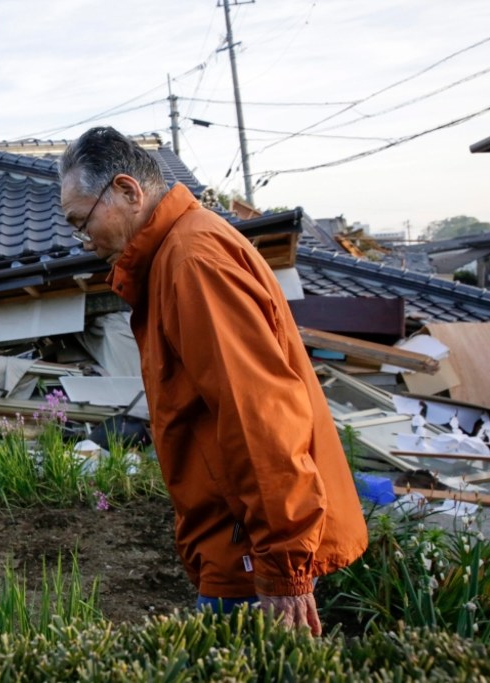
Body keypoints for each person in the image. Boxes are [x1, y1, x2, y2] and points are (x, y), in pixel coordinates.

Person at [59, 126, 367, 635]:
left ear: (128, 191)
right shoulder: (180, 252)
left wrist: (283, 566)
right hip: (241, 544)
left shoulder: (192, 260)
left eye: (81, 222)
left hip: (249, 555)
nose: (85, 241)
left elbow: (260, 416)